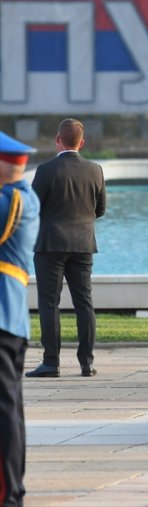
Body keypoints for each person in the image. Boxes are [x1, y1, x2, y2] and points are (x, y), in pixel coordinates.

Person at [28, 119, 106, 378]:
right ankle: (87, 363)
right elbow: (100, 210)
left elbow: (32, 208)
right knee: (84, 302)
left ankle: (51, 363)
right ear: (82, 142)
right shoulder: (95, 170)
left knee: (49, 303)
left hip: (50, 245)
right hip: (83, 244)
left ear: (57, 139)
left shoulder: (46, 170)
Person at [0, 132, 40, 507]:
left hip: (1, 316)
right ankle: (12, 490)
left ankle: (9, 493)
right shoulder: (23, 197)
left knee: (6, 408)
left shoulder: (9, 199)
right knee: (10, 406)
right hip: (9, 315)